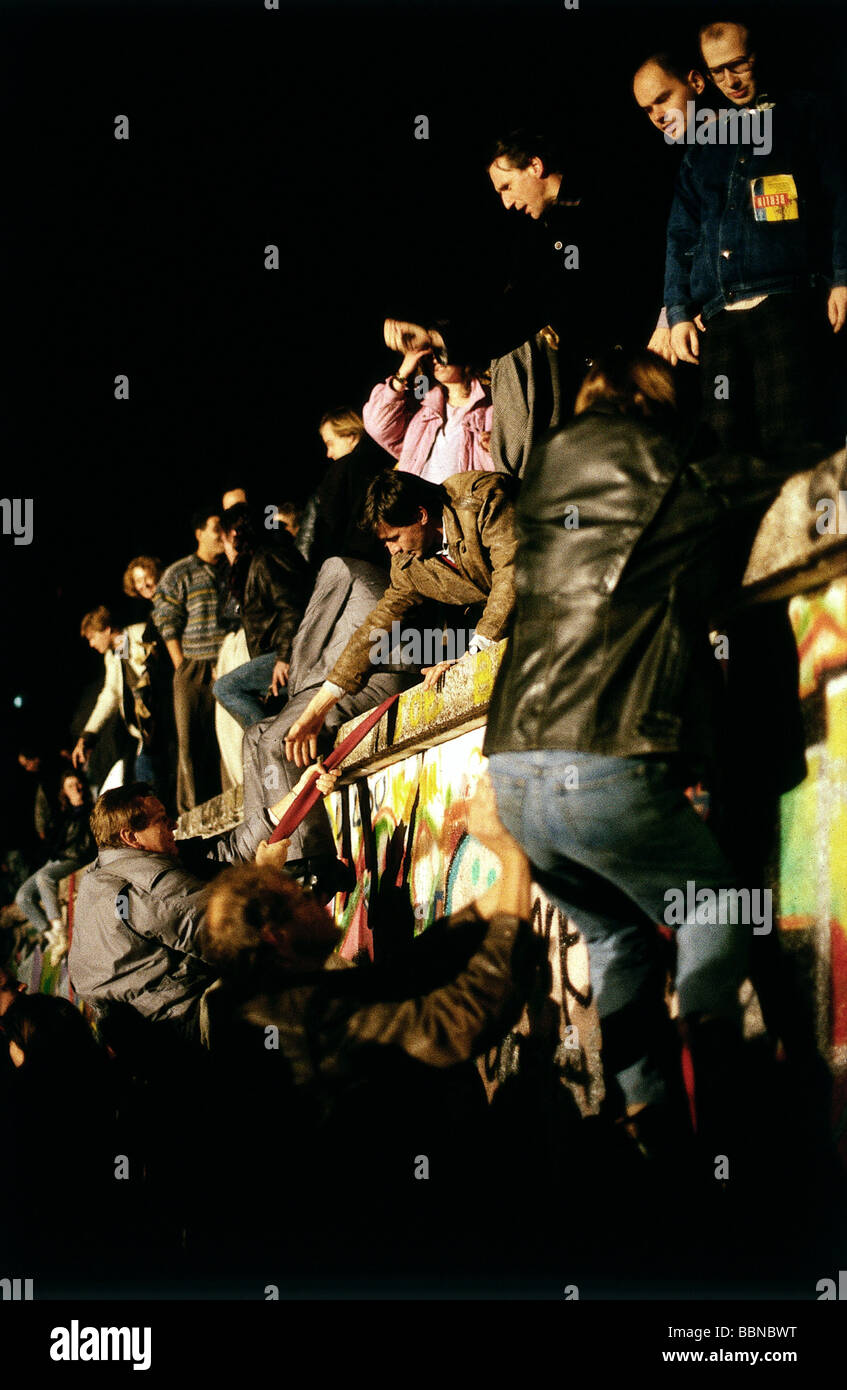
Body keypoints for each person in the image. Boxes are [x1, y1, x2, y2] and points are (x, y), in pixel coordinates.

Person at [482, 349, 814, 1163]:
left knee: (618, 938)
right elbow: (781, 485)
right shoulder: (670, 470)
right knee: (711, 904)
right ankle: (715, 1055)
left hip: (514, 765)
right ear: (658, 401)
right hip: (605, 750)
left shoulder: (544, 478)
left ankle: (650, 1123)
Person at [665, 19, 847, 454]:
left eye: (738, 65)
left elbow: (841, 196)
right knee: (727, 448)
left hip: (787, 300)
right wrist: (677, 311)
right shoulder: (704, 140)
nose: (729, 80)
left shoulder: (806, 114)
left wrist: (842, 275)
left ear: (757, 56)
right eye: (716, 72)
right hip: (720, 315)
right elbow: (681, 231)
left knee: (793, 443)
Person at [69, 764, 337, 1041]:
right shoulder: (150, 890)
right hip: (184, 1028)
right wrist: (263, 876)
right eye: (162, 820)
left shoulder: (107, 868)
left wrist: (299, 793)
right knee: (314, 965)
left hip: (154, 1029)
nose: (174, 825)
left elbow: (226, 852)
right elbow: (237, 941)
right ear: (130, 836)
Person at [281, 467, 517, 770]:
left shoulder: (482, 497)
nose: (392, 550)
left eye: (394, 537)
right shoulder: (406, 563)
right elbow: (376, 627)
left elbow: (513, 573)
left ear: (421, 515)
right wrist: (317, 709)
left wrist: (473, 655)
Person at [632, 49, 707, 366]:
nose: (658, 116)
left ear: (697, 83)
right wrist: (669, 315)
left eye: (664, 98)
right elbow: (677, 242)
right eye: (648, 109)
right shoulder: (674, 161)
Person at [152, 506, 229, 814]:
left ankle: (232, 804)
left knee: (226, 740)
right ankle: (192, 814)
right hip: (192, 666)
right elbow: (165, 618)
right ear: (199, 533)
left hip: (225, 663)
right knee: (190, 745)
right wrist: (181, 665)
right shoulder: (179, 572)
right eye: (215, 529)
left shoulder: (230, 567)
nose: (221, 535)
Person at [213, 503, 313, 731]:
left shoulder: (267, 560)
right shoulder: (258, 561)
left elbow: (293, 608)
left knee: (226, 688)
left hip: (291, 653)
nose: (224, 550)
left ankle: (268, 742)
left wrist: (284, 658)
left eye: (224, 541)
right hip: (281, 652)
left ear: (233, 535)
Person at [363, 338, 493, 482]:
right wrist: (402, 373)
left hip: (464, 501)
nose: (436, 360)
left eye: (440, 352)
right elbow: (377, 426)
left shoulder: (490, 405)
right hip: (417, 501)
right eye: (430, 356)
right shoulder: (424, 407)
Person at [72, 606, 164, 793]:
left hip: (164, 718)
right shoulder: (115, 653)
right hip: (147, 730)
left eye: (92, 637)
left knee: (146, 774)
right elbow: (112, 694)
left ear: (106, 630)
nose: (91, 644)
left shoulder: (140, 633)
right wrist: (89, 734)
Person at [15, 771, 95, 964]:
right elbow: (53, 840)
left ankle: (59, 931)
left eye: (77, 784)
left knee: (45, 878)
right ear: (64, 791)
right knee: (22, 897)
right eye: (70, 786)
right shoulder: (64, 812)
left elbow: (84, 845)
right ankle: (52, 938)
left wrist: (81, 808)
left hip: (75, 857)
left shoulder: (90, 809)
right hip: (57, 858)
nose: (76, 789)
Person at [310, 409, 392, 571]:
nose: (328, 453)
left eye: (330, 443)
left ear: (350, 435)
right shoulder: (388, 459)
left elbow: (329, 526)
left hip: (352, 563)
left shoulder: (343, 469)